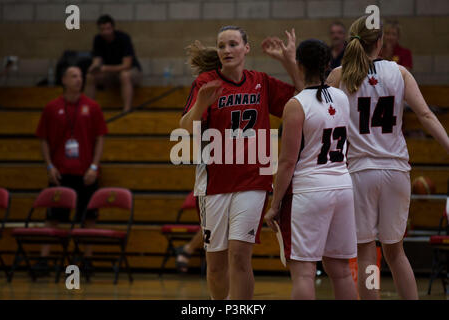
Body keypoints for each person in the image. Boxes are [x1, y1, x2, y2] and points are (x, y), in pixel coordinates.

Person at [326, 15, 449, 300]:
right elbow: (427, 116)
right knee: (396, 253)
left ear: (351, 42)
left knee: (367, 252)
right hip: (395, 171)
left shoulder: (338, 76)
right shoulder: (399, 72)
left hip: (359, 173)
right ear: (380, 43)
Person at [179, 26, 302, 300]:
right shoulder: (205, 82)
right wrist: (200, 105)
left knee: (239, 257)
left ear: (246, 48)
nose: (226, 50)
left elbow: (302, 97)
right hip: (213, 183)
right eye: (221, 46)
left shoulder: (261, 81)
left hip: (252, 180)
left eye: (233, 44)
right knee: (215, 265)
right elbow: (185, 127)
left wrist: (287, 61)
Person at [264, 39, 358, 300]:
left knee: (304, 273)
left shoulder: (296, 105)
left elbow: (286, 162)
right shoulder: (341, 97)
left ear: (299, 65)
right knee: (340, 271)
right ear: (328, 65)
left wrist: (275, 204)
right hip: (342, 185)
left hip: (309, 191)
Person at [35, 65, 108, 274]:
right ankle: (43, 259)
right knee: (53, 217)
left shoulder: (92, 107)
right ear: (64, 80)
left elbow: (100, 138)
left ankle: (87, 259)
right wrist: (49, 165)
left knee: (89, 217)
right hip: (60, 172)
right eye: (74, 76)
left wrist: (94, 166)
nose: (78, 79)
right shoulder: (51, 108)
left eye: (81, 76)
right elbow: (43, 139)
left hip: (86, 173)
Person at [85, 14, 142, 112]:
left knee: (124, 75)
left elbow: (126, 65)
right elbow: (97, 60)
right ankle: (88, 110)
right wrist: (94, 67)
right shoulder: (98, 39)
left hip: (130, 71)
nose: (106, 32)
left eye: (108, 29)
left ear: (113, 28)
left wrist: (105, 68)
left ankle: (127, 110)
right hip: (111, 73)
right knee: (90, 76)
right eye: (102, 29)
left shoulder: (123, 38)